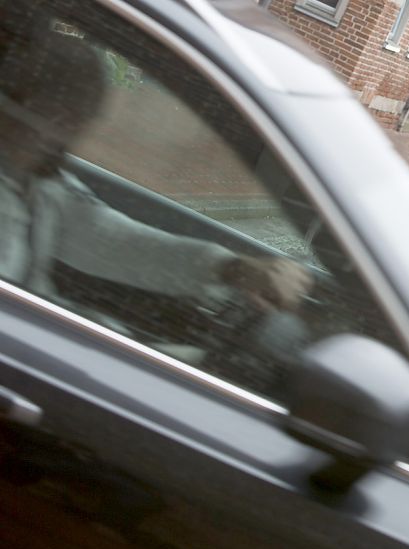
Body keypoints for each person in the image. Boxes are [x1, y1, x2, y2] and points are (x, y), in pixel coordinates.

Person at [0, 12, 312, 331]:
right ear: (14, 108)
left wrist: (229, 268)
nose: (68, 137)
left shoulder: (39, 186)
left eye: (77, 121)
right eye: (60, 119)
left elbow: (110, 238)